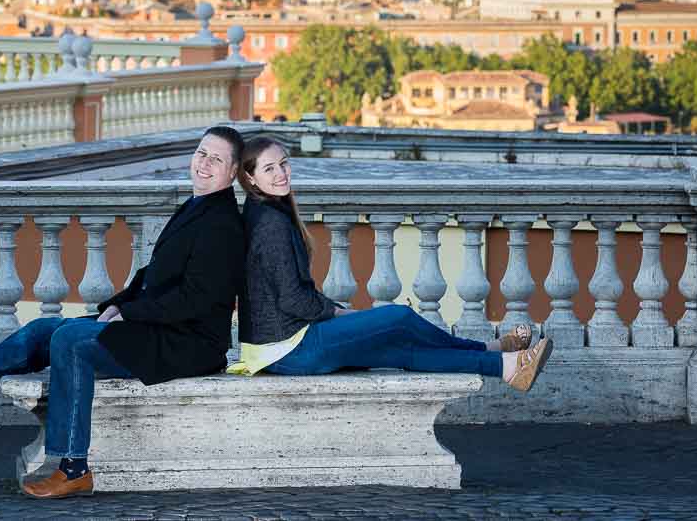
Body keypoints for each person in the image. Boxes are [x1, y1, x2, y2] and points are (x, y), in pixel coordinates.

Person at [0, 126, 246, 500]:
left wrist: (129, 315)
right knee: (43, 329)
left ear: (232, 172)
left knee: (71, 342)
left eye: (216, 159)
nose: (204, 163)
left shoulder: (223, 223)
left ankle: (73, 467)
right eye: (201, 153)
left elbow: (195, 299)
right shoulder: (197, 205)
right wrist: (117, 304)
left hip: (187, 342)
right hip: (157, 325)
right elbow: (153, 274)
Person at [227, 136, 553, 391]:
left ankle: (507, 367)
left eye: (284, 164)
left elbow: (291, 294)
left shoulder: (266, 212)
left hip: (276, 349)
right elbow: (293, 299)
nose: (281, 174)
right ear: (250, 178)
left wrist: (335, 311)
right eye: (269, 169)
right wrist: (340, 312)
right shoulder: (271, 224)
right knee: (399, 317)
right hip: (290, 348)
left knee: (399, 351)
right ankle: (489, 348)